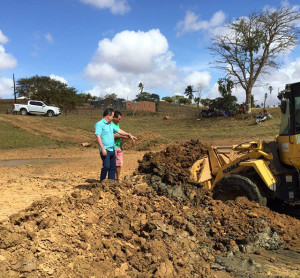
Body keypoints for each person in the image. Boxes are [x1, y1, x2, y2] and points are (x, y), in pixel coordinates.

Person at [95, 108, 137, 182]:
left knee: (113, 167)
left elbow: (119, 131)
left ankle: (112, 182)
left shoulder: (110, 124)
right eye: (112, 116)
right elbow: (97, 137)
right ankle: (102, 182)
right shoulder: (99, 124)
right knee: (106, 166)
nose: (113, 117)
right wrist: (102, 149)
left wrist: (129, 135)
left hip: (112, 149)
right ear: (108, 115)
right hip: (105, 149)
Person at [111, 111, 136, 182]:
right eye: (119, 119)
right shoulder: (110, 125)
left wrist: (128, 135)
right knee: (112, 164)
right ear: (113, 117)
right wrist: (122, 136)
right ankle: (111, 178)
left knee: (118, 163)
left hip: (119, 146)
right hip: (113, 147)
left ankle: (118, 177)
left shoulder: (117, 124)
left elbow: (120, 132)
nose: (120, 120)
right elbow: (112, 135)